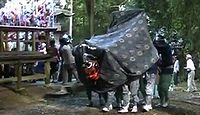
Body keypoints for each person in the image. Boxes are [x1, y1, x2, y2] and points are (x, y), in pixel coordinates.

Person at [153, 35, 173, 108]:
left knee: (164, 87)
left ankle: (166, 100)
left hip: (167, 69)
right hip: (162, 69)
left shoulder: (166, 47)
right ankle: (161, 101)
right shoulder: (161, 48)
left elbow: (158, 47)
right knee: (159, 88)